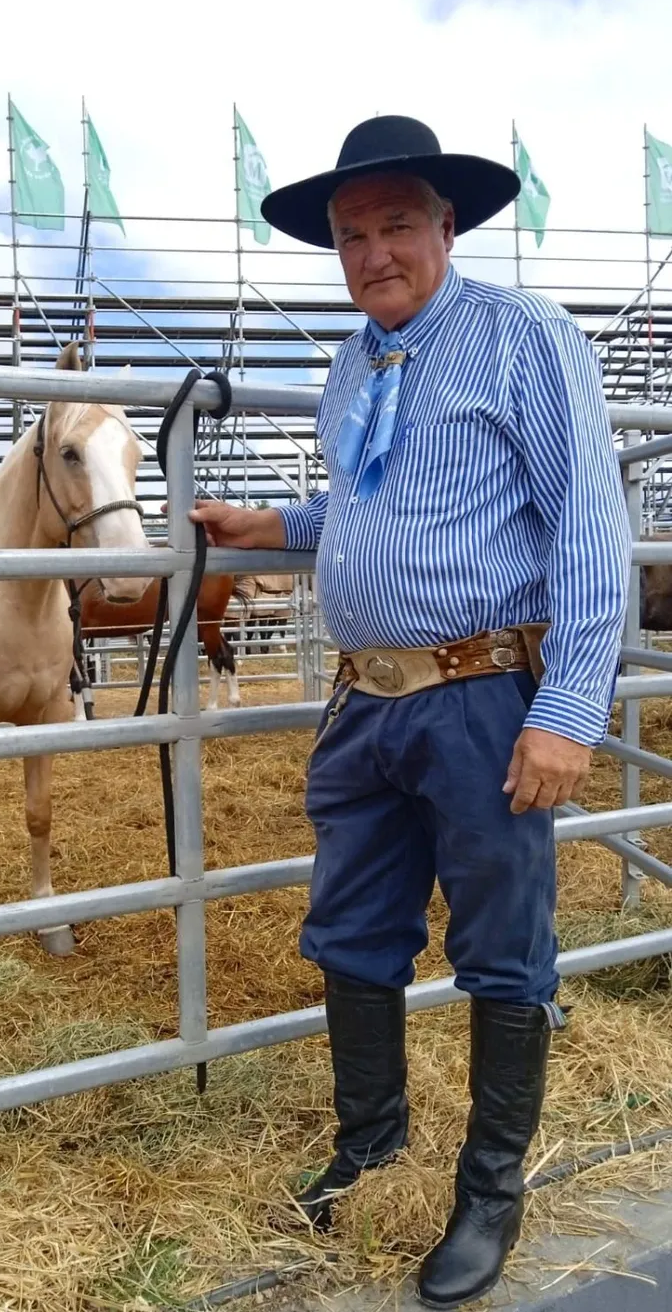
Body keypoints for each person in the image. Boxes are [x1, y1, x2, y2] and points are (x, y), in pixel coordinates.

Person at [190, 116, 631, 1310]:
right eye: (350, 234)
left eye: (395, 224)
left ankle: (490, 1191)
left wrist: (570, 708)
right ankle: (371, 1148)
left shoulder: (522, 340)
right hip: (364, 701)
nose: (373, 251)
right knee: (353, 927)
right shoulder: (354, 362)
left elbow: (592, 527)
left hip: (485, 693)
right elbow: (367, 508)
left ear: (447, 225)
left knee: (499, 941)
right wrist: (268, 526)